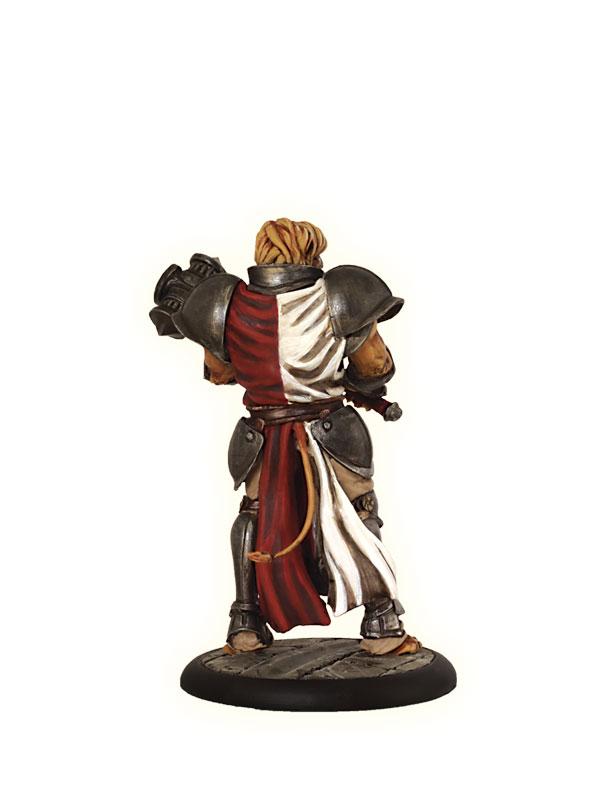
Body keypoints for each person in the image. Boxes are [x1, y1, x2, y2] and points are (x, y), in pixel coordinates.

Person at [150, 218, 420, 656]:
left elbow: (219, 373)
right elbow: (376, 369)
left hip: (261, 435)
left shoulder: (226, 304)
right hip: (331, 433)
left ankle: (245, 619)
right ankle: (381, 618)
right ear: (314, 253)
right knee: (359, 511)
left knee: (254, 515)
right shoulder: (341, 294)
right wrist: (349, 383)